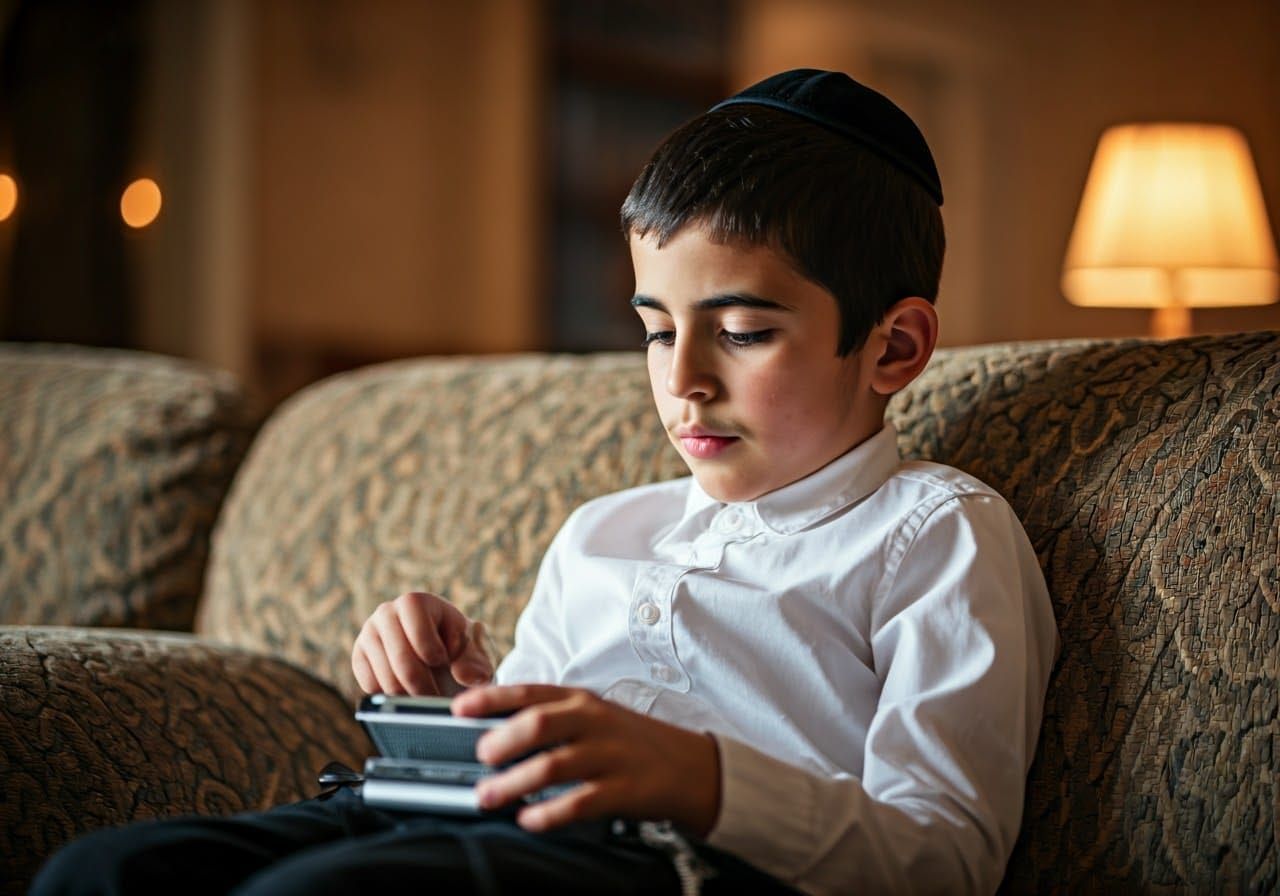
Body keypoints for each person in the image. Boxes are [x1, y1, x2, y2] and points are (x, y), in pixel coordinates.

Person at [32, 68, 1058, 896]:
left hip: (671, 863)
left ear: (893, 346)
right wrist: (457, 698)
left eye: (742, 331)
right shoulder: (605, 531)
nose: (683, 378)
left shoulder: (936, 534)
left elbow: (943, 855)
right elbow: (530, 731)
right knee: (105, 868)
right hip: (468, 819)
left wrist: (702, 781)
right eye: (656, 330)